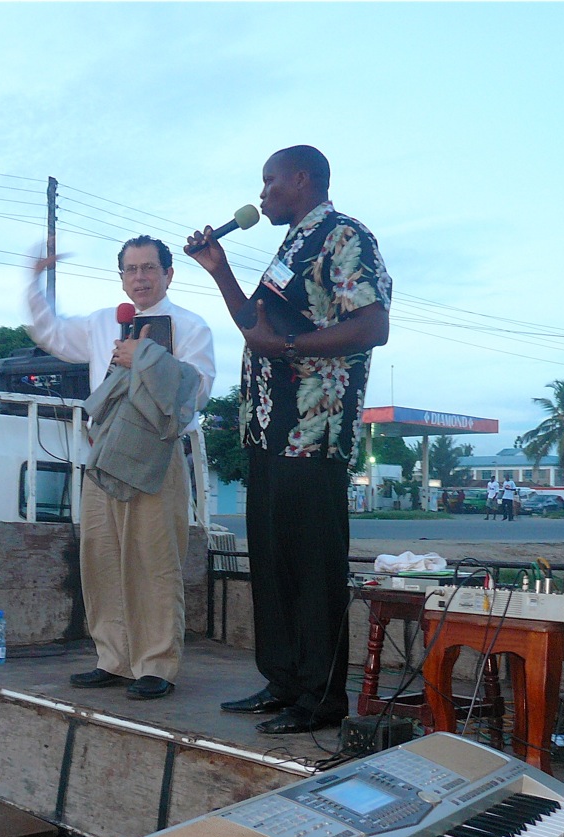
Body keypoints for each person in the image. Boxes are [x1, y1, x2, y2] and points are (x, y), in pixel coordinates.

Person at [186, 145, 391, 734]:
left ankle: (321, 700)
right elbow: (257, 327)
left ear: (301, 179)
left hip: (313, 430)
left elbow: (372, 325)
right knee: (273, 563)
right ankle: (283, 682)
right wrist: (218, 267)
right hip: (268, 429)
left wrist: (295, 349)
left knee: (312, 566)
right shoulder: (292, 245)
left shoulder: (344, 237)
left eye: (270, 180)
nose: (263, 192)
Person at [25, 236, 215, 701]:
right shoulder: (103, 322)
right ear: (122, 277)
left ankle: (156, 665)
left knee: (153, 560)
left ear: (169, 274)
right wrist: (35, 280)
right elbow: (50, 332)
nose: (141, 278)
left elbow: (197, 393)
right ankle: (113, 657)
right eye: (131, 270)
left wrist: (146, 359)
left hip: (156, 454)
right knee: (101, 556)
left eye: (149, 268)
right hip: (104, 452)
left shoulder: (191, 326)